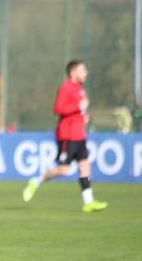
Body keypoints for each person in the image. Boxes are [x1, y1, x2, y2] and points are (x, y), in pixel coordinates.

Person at [23, 59, 107, 212]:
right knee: (63, 170)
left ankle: (88, 202)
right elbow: (58, 108)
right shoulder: (66, 87)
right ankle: (36, 181)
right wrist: (77, 107)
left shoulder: (80, 89)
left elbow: (77, 112)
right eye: (83, 70)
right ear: (73, 72)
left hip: (79, 134)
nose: (86, 73)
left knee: (85, 167)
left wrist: (83, 118)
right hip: (67, 135)